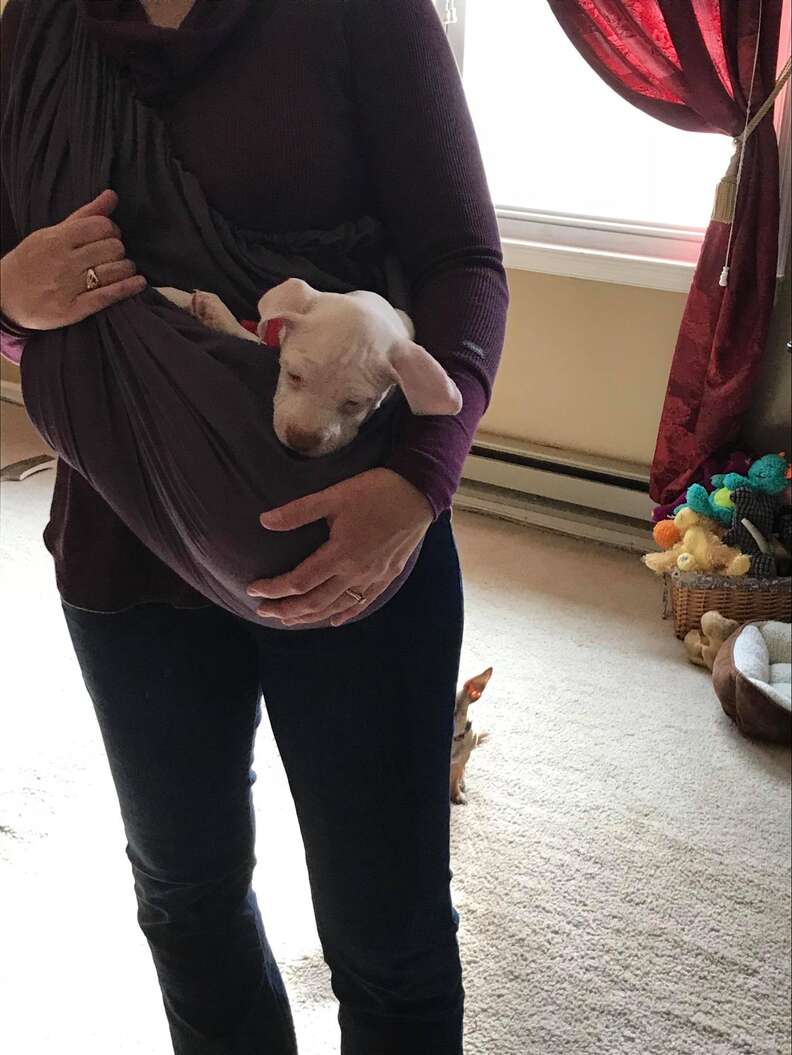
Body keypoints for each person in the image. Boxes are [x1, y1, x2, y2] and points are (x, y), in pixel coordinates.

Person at [0, 0, 508, 1051]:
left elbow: (463, 259)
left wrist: (418, 482)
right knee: (185, 897)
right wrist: (7, 296)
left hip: (357, 534)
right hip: (122, 537)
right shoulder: (37, 28)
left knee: (390, 937)